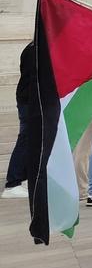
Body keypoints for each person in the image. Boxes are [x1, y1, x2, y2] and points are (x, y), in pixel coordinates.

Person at [2, 42, 34, 199]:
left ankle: (22, 179)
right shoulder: (37, 48)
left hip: (26, 98)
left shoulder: (32, 47)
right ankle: (13, 182)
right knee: (26, 139)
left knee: (29, 139)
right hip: (29, 100)